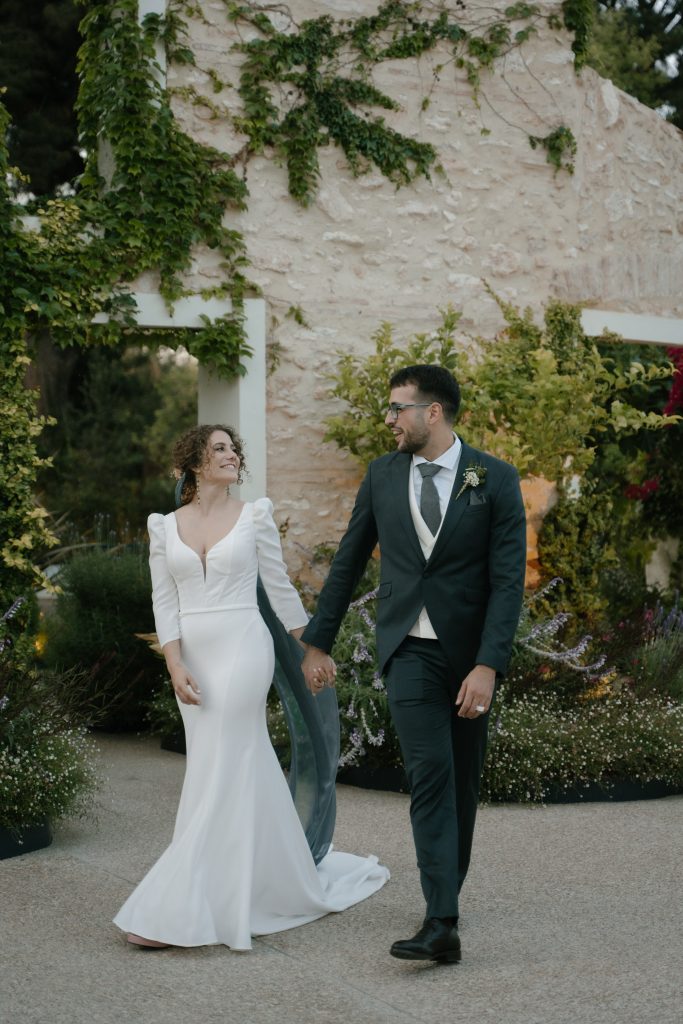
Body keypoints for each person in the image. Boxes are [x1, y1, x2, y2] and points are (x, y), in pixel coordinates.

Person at [113, 424, 388, 950]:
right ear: (194, 463)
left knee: (224, 761)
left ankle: (180, 903)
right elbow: (163, 601)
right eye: (219, 448)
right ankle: (268, 877)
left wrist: (313, 648)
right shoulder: (163, 527)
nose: (232, 456)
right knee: (217, 764)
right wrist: (174, 665)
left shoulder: (254, 515)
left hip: (243, 646)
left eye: (233, 449)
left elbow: (280, 591)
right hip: (193, 657)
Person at [301, 365, 526, 964]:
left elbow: (508, 583)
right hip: (408, 650)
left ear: (433, 412)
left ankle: (447, 893)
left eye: (398, 408)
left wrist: (488, 665)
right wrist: (318, 642)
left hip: (469, 658)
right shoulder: (381, 474)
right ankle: (440, 921)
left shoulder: (495, 479)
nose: (389, 420)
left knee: (462, 782)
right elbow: (349, 560)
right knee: (430, 775)